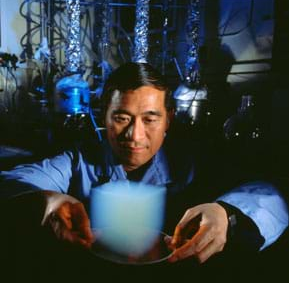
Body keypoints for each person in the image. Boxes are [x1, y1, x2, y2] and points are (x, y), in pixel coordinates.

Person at [0, 62, 288, 279]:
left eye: (150, 119)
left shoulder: (192, 161)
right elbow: (11, 181)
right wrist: (46, 200)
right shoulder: (78, 160)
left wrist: (227, 214)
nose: (134, 136)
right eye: (122, 118)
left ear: (168, 120)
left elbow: (270, 192)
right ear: (104, 117)